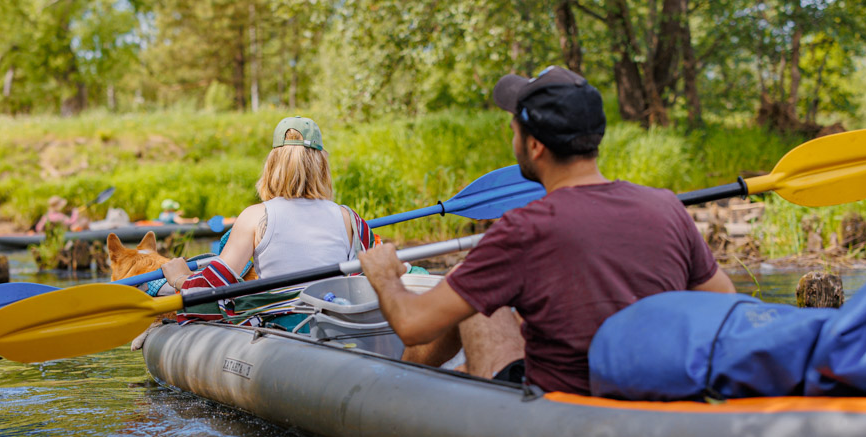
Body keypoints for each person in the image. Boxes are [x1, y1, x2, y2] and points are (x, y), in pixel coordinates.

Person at [358, 67, 735, 395]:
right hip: (654, 395)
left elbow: (411, 325)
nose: (513, 139)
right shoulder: (666, 206)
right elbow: (724, 301)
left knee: (463, 284)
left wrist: (385, 273)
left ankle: (400, 391)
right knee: (467, 281)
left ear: (535, 145)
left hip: (556, 412)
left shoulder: (524, 229)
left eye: (514, 131)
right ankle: (446, 375)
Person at [160, 116, 375, 313]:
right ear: (322, 166)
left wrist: (180, 278)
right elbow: (372, 279)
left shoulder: (254, 217)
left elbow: (212, 286)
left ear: (272, 166)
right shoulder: (350, 219)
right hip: (336, 321)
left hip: (283, 326)